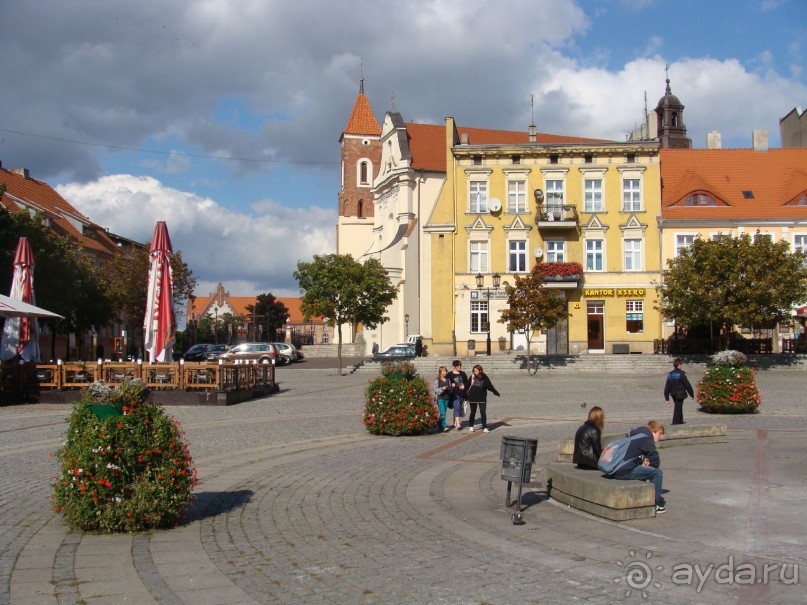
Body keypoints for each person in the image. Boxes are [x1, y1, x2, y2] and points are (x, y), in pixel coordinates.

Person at [612, 420, 667, 513]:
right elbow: (655, 460)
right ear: (653, 431)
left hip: (617, 468)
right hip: (624, 471)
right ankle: (654, 504)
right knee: (657, 473)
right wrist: (649, 464)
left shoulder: (637, 434)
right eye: (660, 433)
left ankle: (642, 498)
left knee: (644, 470)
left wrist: (644, 462)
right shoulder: (647, 439)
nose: (661, 437)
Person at [466, 364, 500, 433]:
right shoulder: (472, 377)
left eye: (476, 370)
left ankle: (484, 427)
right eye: (474, 371)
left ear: (480, 370)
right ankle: (471, 426)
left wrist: (495, 392)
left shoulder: (485, 378)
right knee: (473, 412)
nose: (474, 372)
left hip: (482, 398)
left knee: (483, 412)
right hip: (472, 397)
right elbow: (467, 385)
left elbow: (489, 386)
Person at [664, 358, 694, 425]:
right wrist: (691, 394)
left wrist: (666, 397)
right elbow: (687, 384)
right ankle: (675, 422)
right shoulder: (681, 374)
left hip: (673, 393)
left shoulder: (670, 374)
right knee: (678, 407)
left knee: (679, 406)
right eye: (681, 364)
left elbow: (667, 386)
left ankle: (680, 421)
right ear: (679, 364)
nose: (682, 365)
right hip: (680, 393)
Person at [448, 360, 468, 430]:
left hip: (462, 394)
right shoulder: (450, 375)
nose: (459, 367)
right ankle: (458, 424)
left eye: (460, 365)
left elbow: (467, 382)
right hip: (454, 394)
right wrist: (451, 385)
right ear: (454, 366)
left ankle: (455, 422)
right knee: (457, 407)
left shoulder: (463, 374)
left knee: (458, 408)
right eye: (458, 365)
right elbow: (446, 383)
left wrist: (464, 385)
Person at [432, 366, 453, 433]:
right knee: (443, 413)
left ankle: (440, 426)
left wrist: (450, 388)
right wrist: (442, 389)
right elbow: (436, 390)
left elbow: (451, 390)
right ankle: (445, 426)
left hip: (447, 398)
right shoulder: (437, 380)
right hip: (440, 398)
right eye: (444, 371)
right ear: (440, 372)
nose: (445, 372)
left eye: (446, 371)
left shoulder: (448, 380)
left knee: (443, 413)